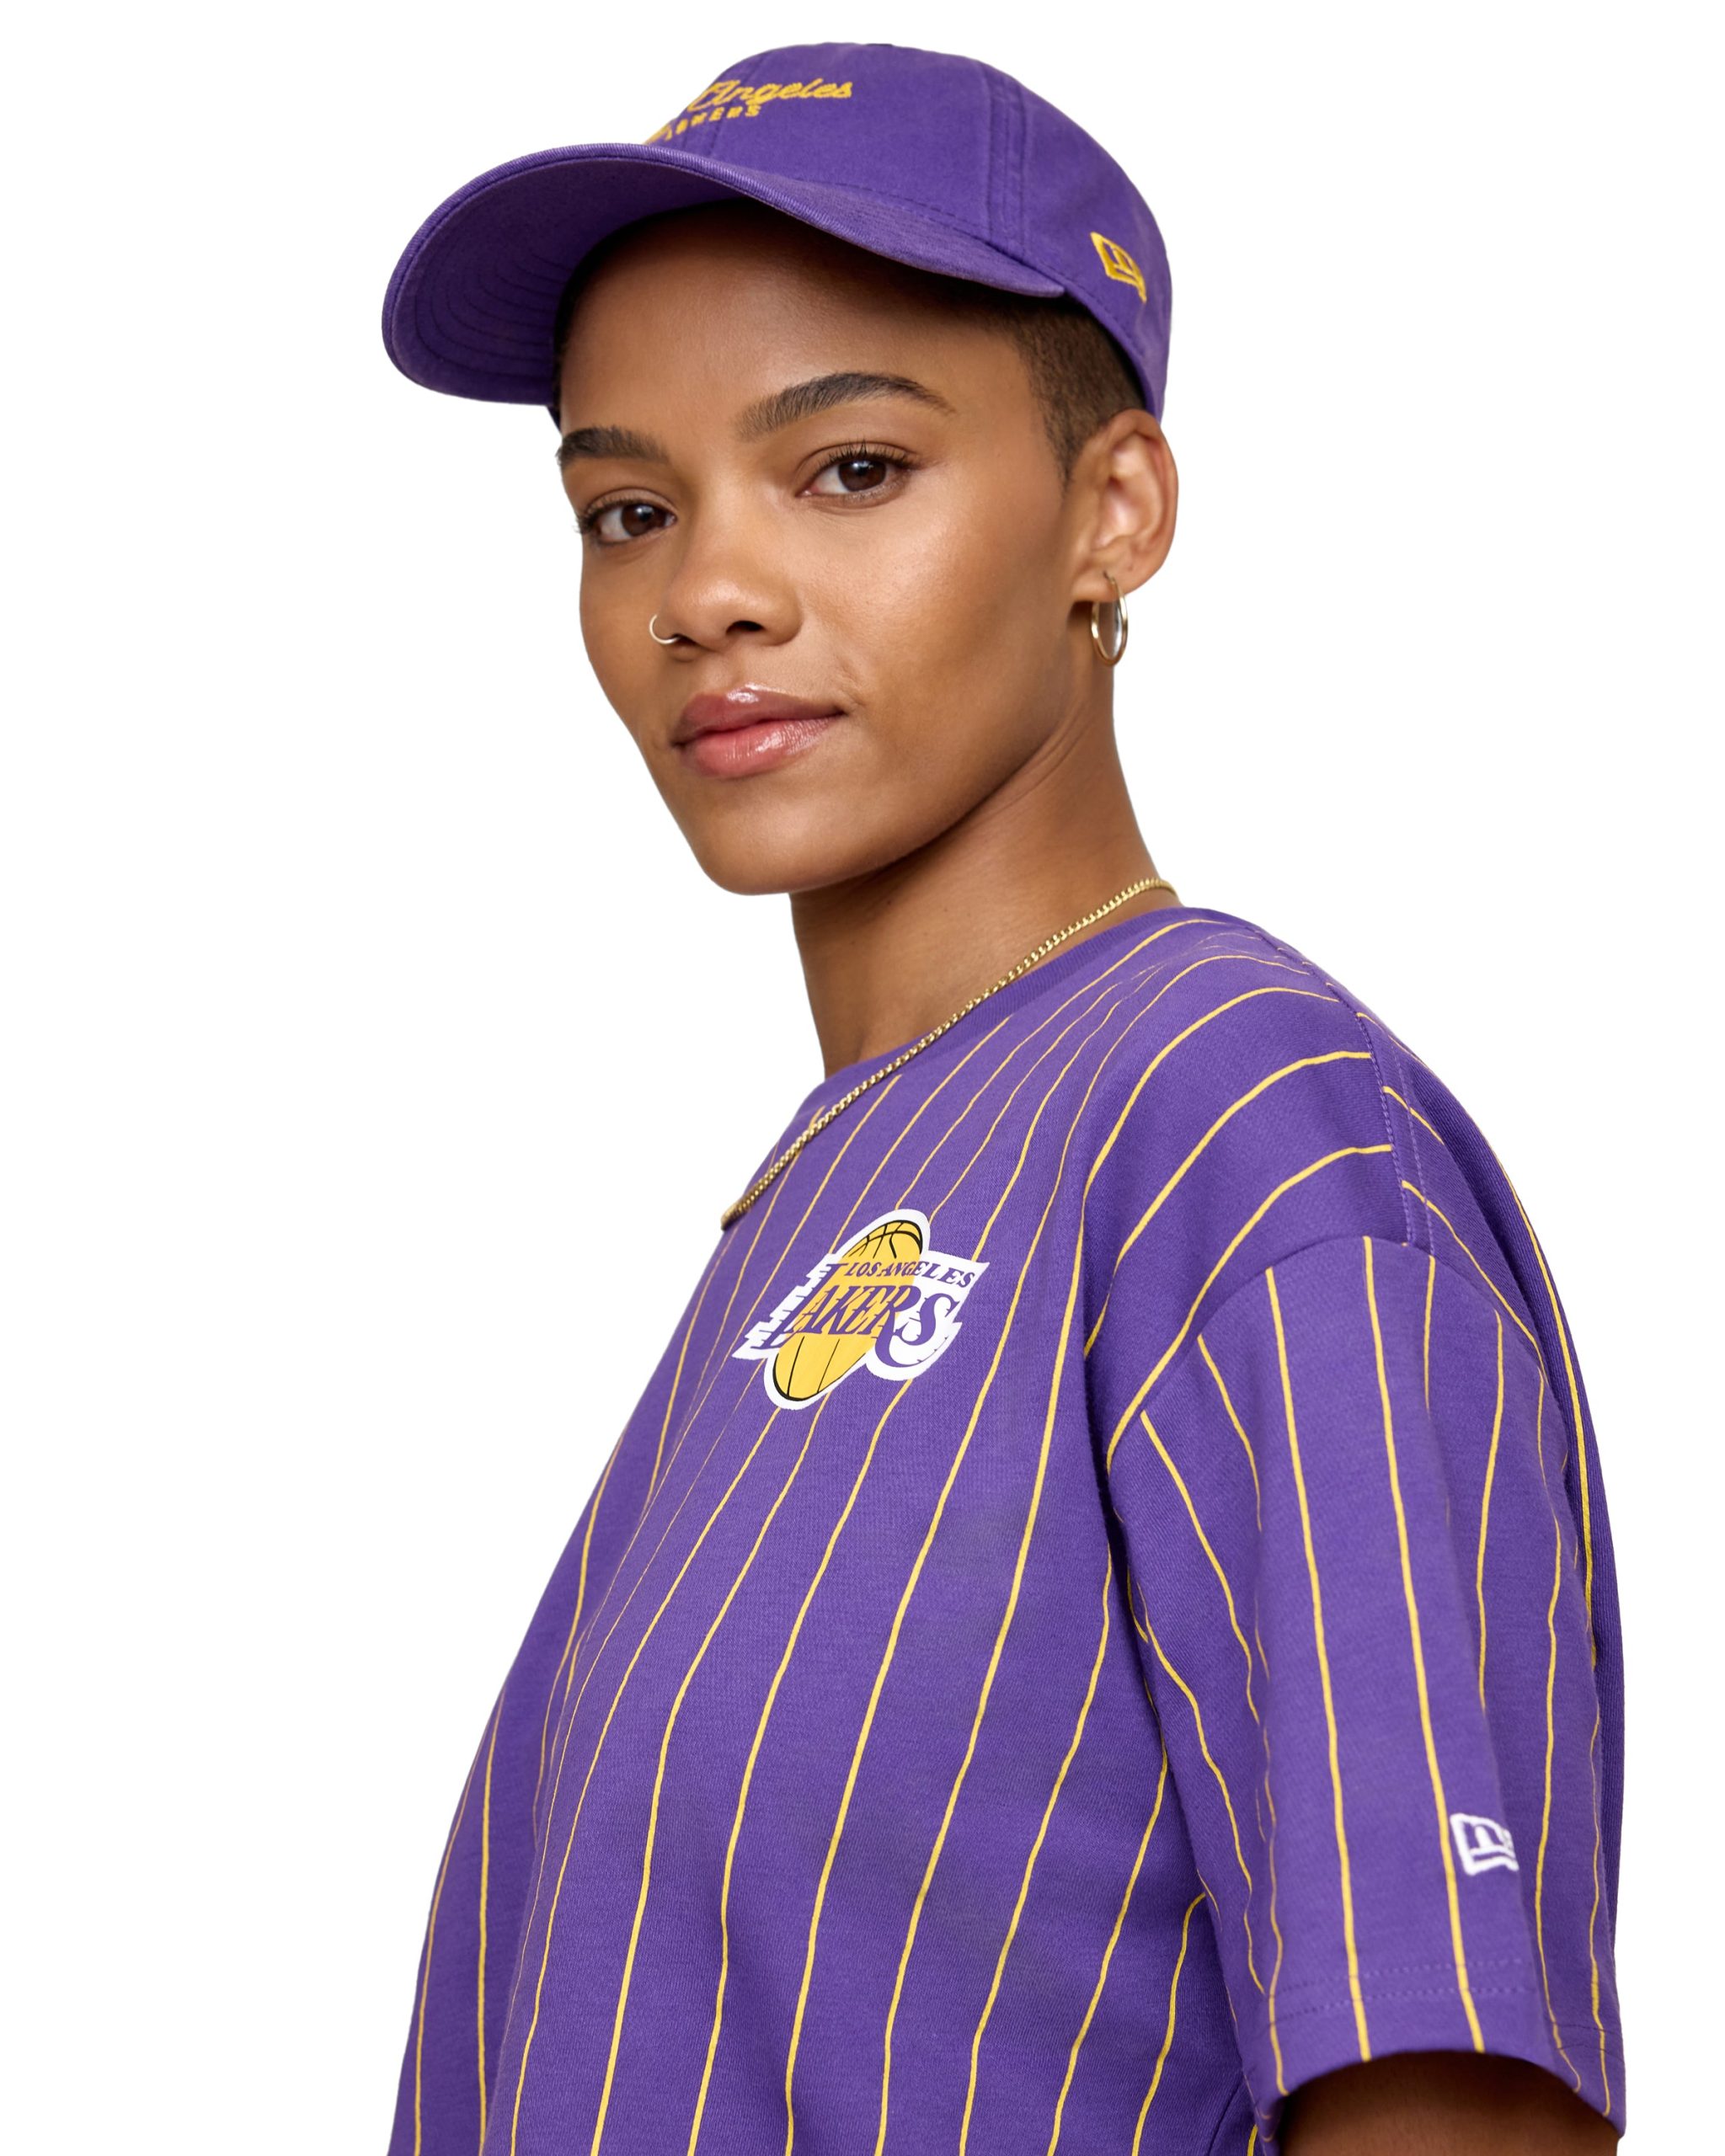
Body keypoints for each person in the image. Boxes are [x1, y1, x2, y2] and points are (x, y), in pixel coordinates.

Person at [377, 40, 1624, 2155]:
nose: (705, 592)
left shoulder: (1248, 1131)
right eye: (628, 510)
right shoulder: (846, 1182)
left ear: (1110, 509)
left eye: (850, 466)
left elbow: (1452, 2099)